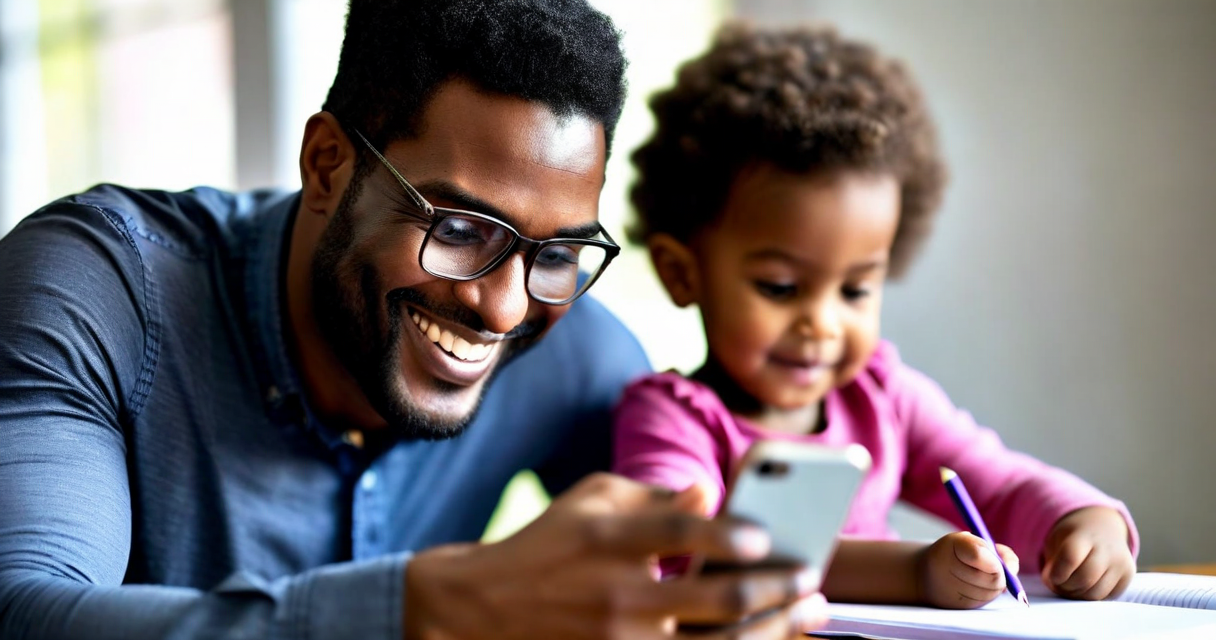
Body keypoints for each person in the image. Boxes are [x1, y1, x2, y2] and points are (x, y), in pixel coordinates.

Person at [0, 2, 828, 638]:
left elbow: (689, 569)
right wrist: (426, 609)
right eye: (459, 230)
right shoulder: (100, 285)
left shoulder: (573, 347)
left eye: (559, 250)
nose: (504, 307)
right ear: (329, 165)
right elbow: (24, 613)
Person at [615, 21, 1139, 609]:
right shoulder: (672, 420)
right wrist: (912, 572)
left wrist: (1085, 519)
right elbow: (688, 558)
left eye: (856, 290)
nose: (823, 324)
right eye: (781, 288)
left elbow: (1002, 482)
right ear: (682, 272)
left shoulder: (882, 397)